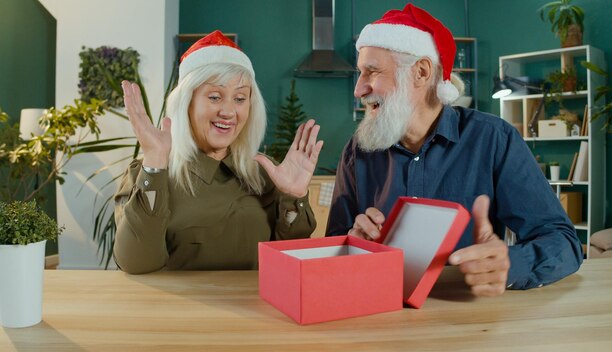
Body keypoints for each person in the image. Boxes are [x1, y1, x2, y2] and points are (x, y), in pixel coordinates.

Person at [327, 4, 583, 296]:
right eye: (360, 73)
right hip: (379, 315)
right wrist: (352, 244)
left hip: (468, 322)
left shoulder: (494, 139)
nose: (358, 89)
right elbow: (334, 246)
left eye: (371, 72)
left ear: (421, 72)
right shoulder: (357, 151)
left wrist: (508, 265)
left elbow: (563, 243)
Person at [114, 31, 323, 274]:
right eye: (215, 96)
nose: (229, 111)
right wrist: (154, 162)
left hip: (257, 310)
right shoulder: (151, 172)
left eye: (240, 98)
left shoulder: (267, 174)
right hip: (178, 311)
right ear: (187, 103)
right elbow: (136, 263)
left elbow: (290, 265)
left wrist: (292, 196)